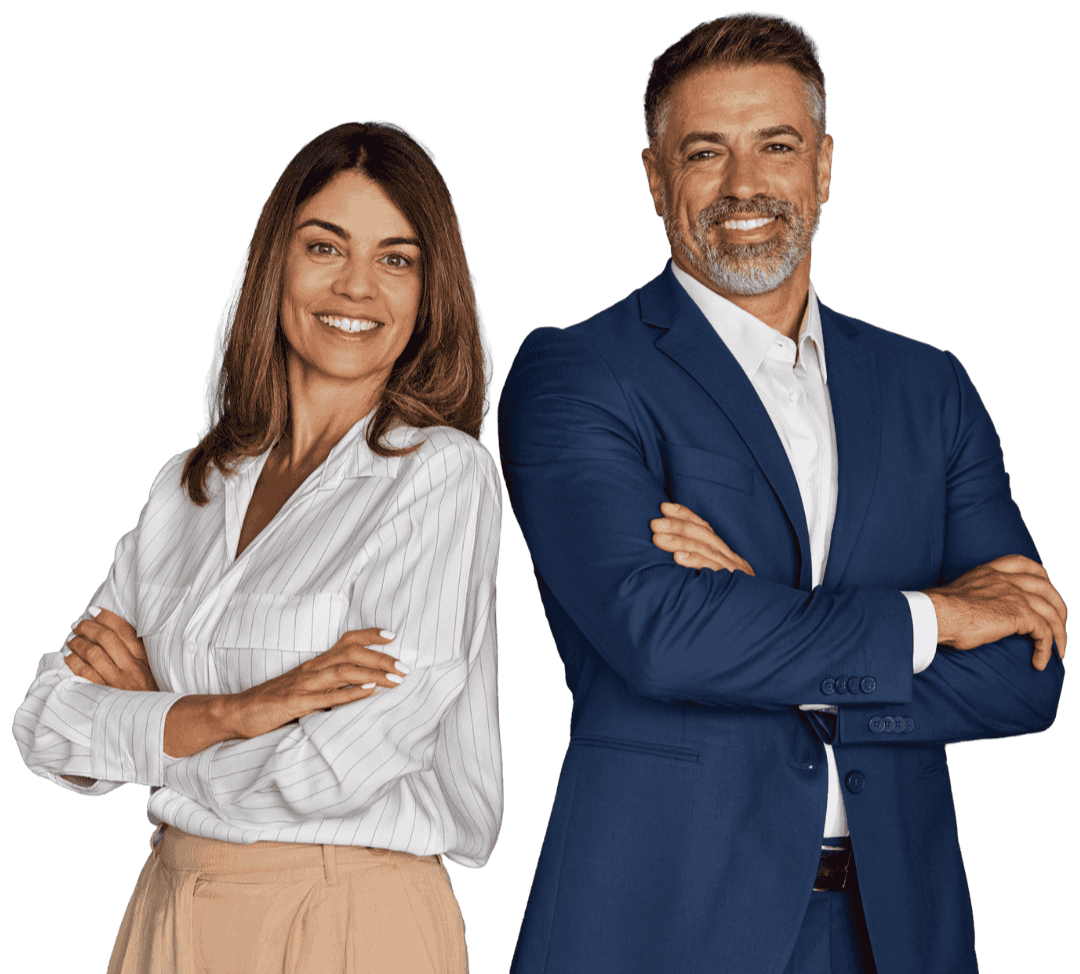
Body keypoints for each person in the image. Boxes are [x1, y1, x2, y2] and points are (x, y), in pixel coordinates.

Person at [498, 14, 1067, 974]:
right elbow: (658, 633)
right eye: (704, 152)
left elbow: (1027, 672)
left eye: (777, 146)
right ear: (653, 177)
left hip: (899, 929)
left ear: (826, 164)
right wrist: (935, 619)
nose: (744, 185)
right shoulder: (578, 372)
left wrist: (753, 627)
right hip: (663, 923)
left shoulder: (930, 388)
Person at [14, 121, 502, 974]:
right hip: (167, 902)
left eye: (396, 258)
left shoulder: (439, 480)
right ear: (274, 262)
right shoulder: (185, 491)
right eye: (326, 246)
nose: (357, 286)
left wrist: (152, 729)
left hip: (347, 912)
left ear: (430, 294)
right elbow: (45, 728)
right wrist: (241, 710)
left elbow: (340, 768)